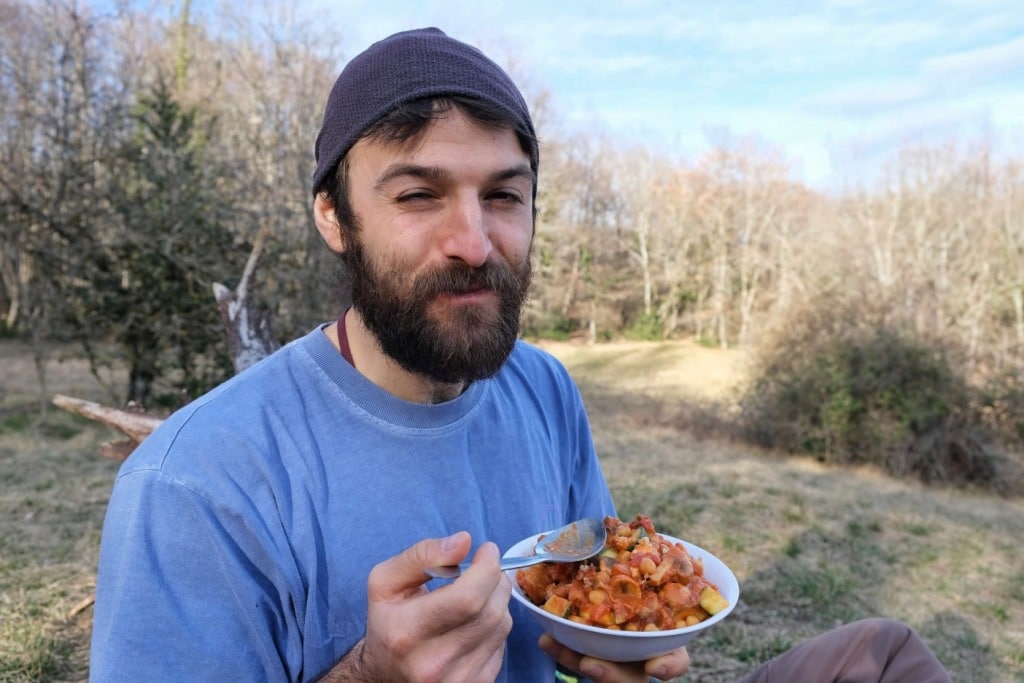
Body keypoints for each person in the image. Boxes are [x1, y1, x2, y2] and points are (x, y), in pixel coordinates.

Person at [88, 27, 951, 683]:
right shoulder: (197, 484)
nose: (474, 240)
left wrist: (607, 651)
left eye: (503, 195)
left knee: (882, 655)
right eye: (419, 194)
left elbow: (588, 586)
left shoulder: (542, 387)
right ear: (332, 216)